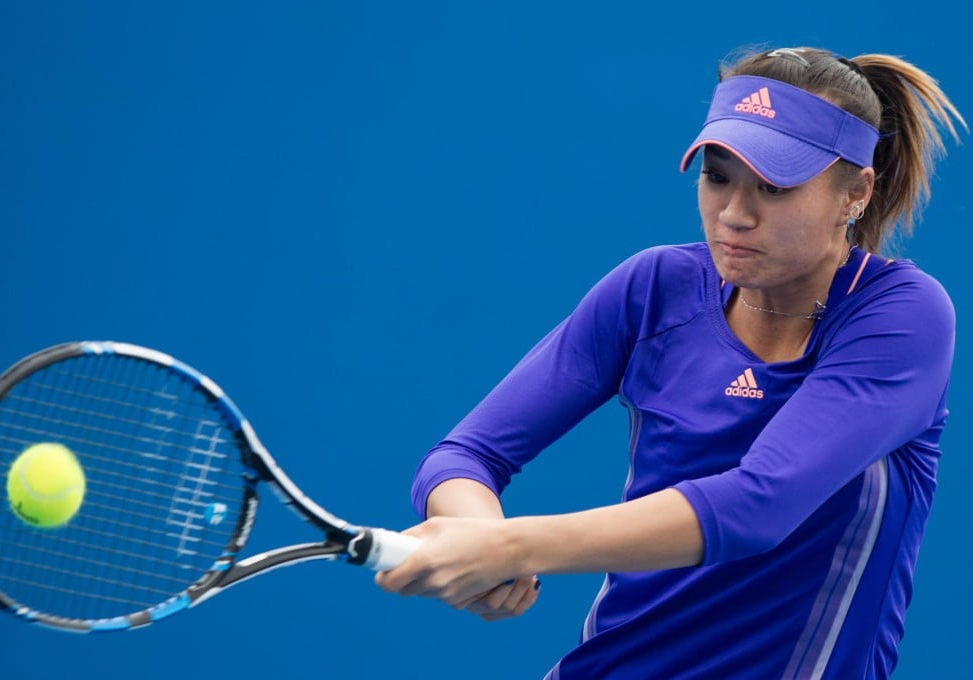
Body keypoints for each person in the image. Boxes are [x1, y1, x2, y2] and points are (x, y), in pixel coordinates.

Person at [376, 45, 966, 679]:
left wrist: (508, 545)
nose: (735, 215)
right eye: (717, 176)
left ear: (855, 192)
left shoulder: (902, 315)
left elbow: (757, 506)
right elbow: (463, 457)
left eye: (774, 185)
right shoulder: (655, 287)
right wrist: (477, 532)